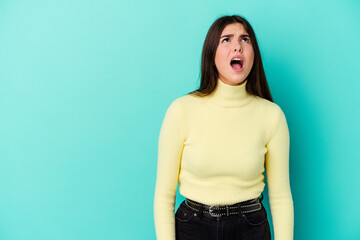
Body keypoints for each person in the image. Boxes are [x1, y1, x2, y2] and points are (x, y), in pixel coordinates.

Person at [153, 14, 294, 240]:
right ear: (211, 55)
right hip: (193, 227)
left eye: (245, 39)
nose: (237, 47)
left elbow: (280, 197)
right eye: (226, 39)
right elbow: (163, 195)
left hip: (250, 227)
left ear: (253, 54)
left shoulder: (272, 116)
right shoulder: (181, 110)